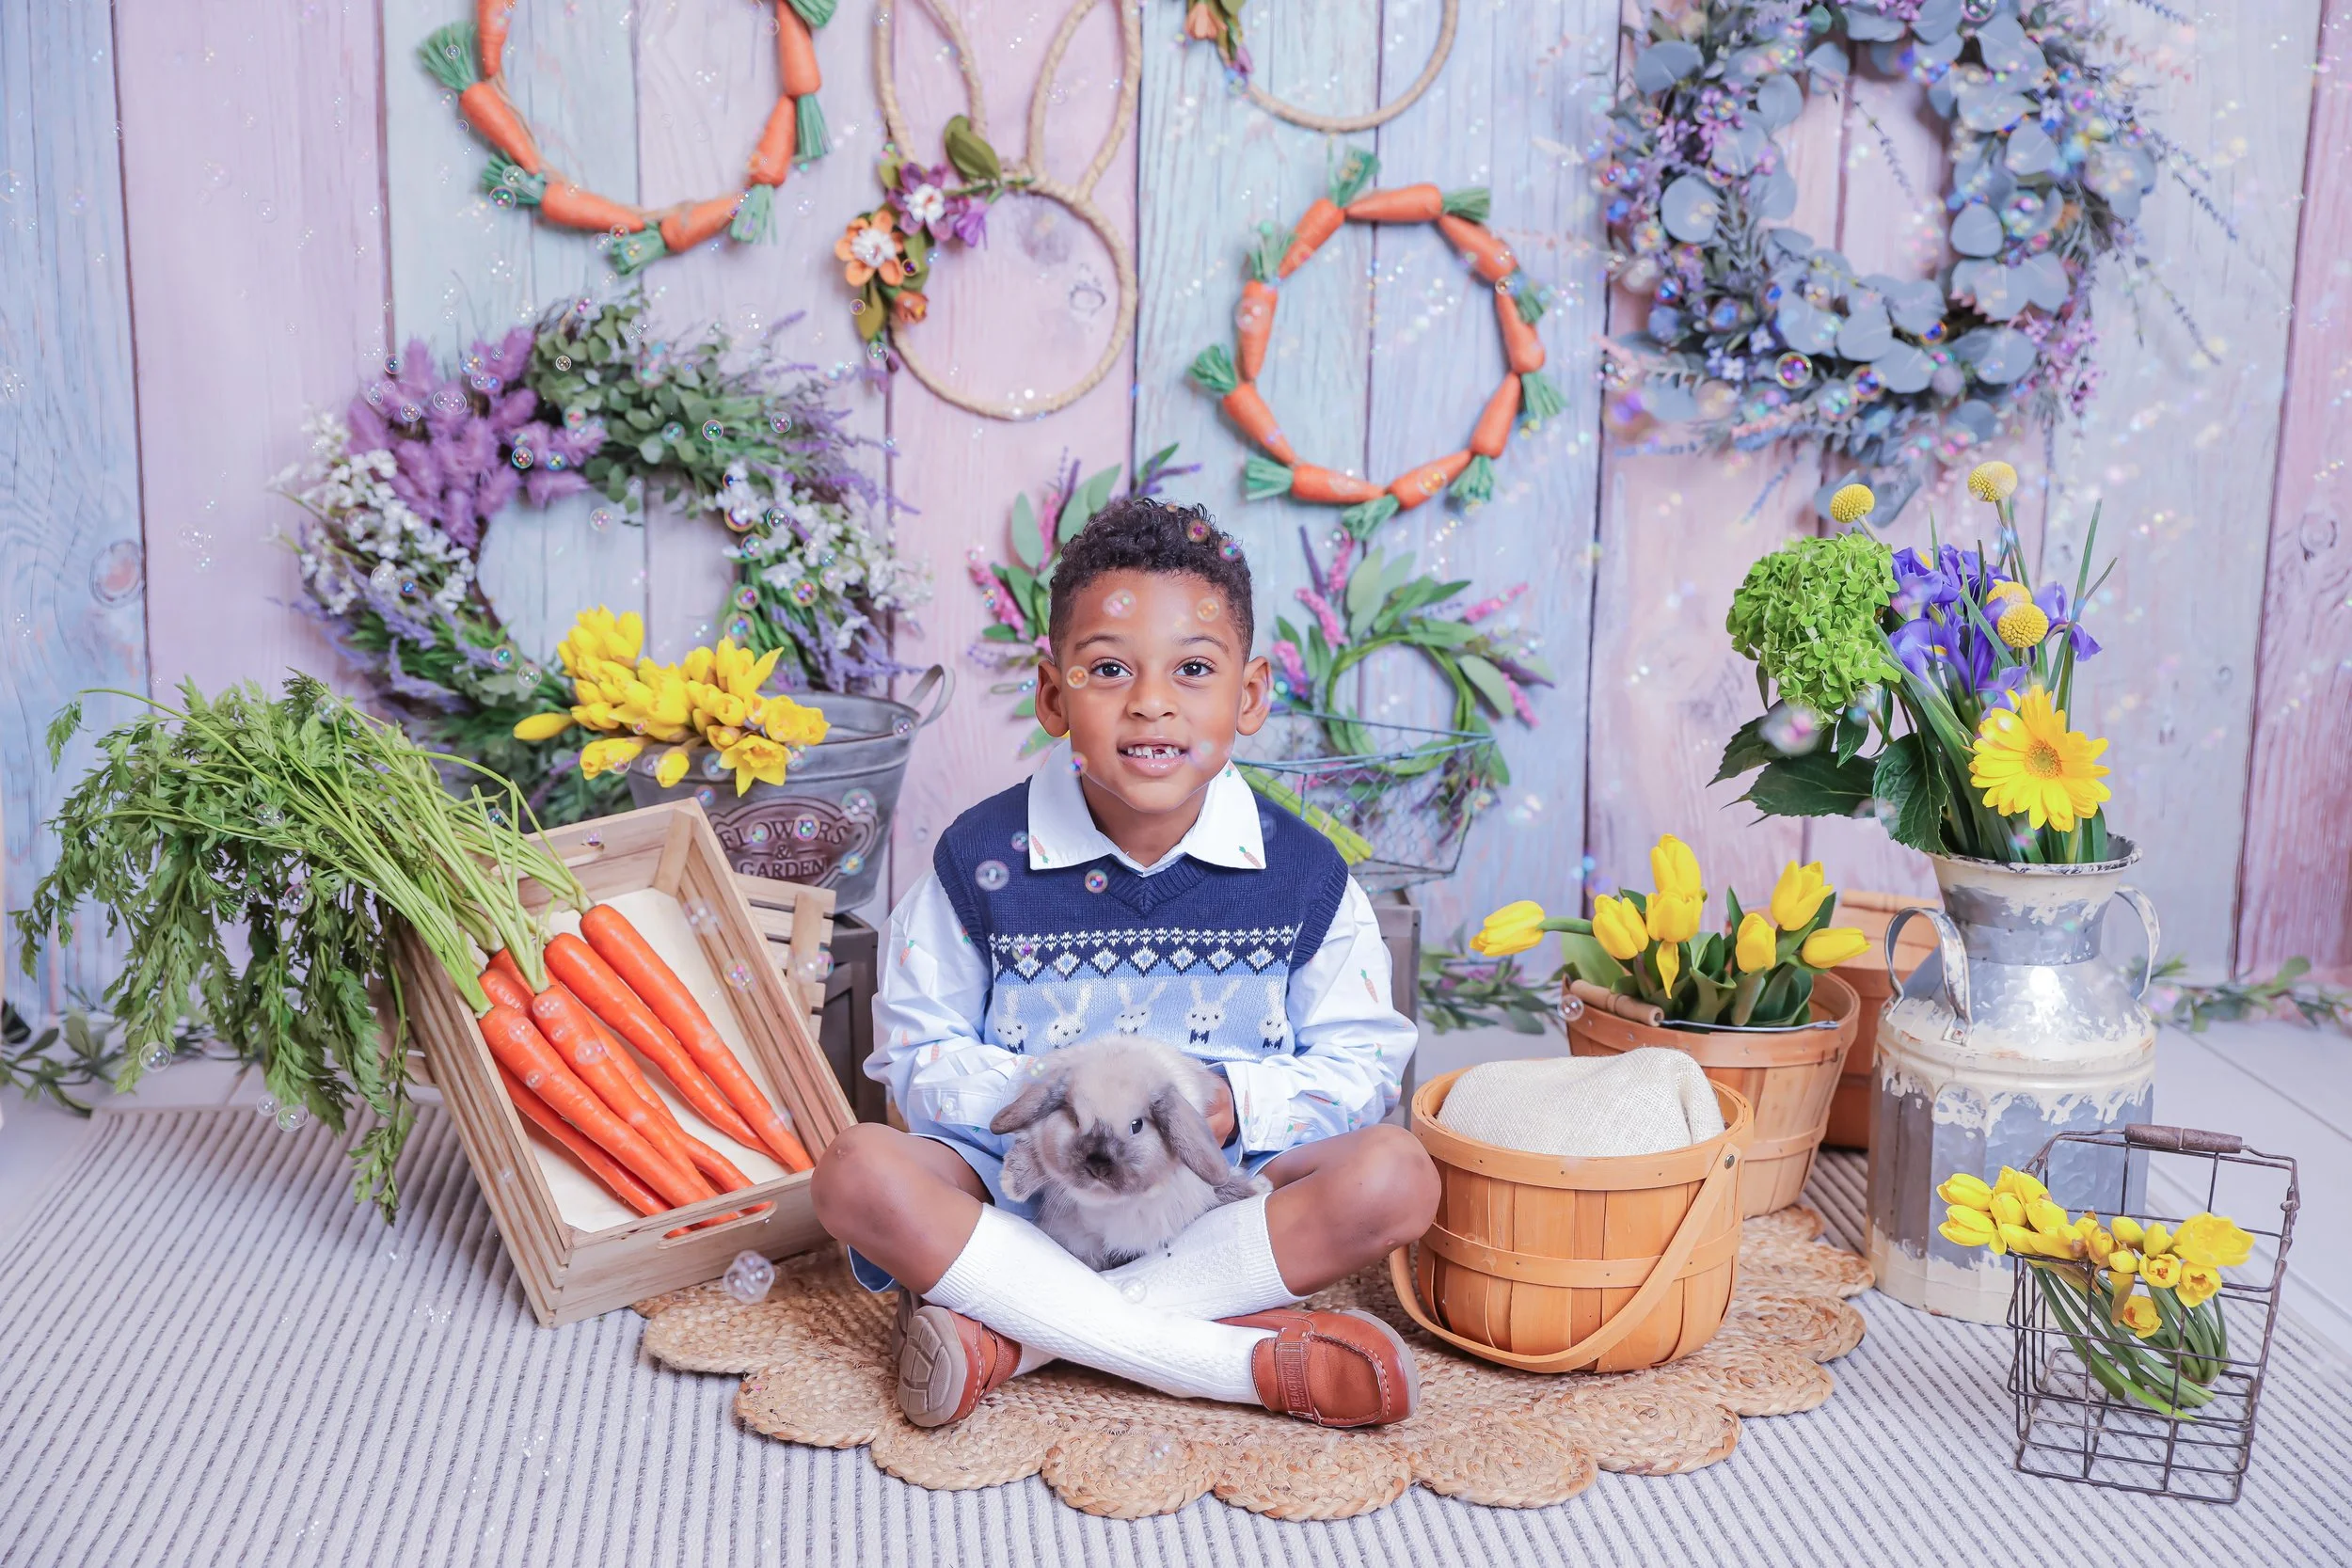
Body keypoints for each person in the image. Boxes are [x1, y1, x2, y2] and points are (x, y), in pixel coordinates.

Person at [812, 496, 1439, 1431]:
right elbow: (914, 1044)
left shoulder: (1304, 874)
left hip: (1221, 1204)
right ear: (1054, 694)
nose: (1151, 701)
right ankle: (1226, 1360)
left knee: (1398, 1173)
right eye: (1109, 669)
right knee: (857, 1168)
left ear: (1251, 694)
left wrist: (1229, 1102)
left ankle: (1014, 1336)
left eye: (1193, 669)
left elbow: (1359, 1063)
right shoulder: (981, 855)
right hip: (1024, 1189)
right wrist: (1056, 1097)